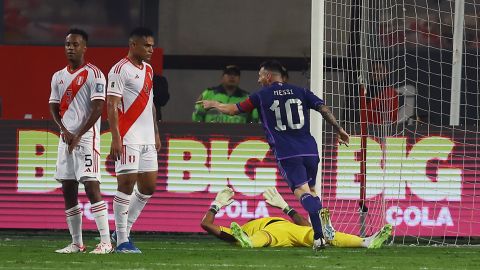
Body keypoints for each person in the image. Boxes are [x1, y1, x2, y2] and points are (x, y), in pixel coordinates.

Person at [198, 60, 350, 251]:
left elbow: (233, 110)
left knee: (302, 192)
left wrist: (214, 104)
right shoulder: (301, 91)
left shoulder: (261, 95)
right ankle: (325, 225)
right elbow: (324, 109)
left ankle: (319, 235)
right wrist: (339, 129)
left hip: (287, 152)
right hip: (310, 149)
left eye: (261, 75)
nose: (259, 79)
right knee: (312, 189)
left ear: (268, 76)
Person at [49, 28, 112, 254]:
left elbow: (98, 109)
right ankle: (77, 243)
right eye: (67, 44)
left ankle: (105, 242)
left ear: (84, 47)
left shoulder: (95, 74)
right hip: (65, 139)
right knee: (67, 188)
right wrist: (64, 130)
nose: (71, 48)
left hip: (86, 140)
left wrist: (78, 134)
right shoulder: (58, 76)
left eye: (75, 44)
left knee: (92, 186)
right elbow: (53, 107)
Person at [106, 26, 161, 253]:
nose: (151, 49)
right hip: (128, 136)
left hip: (148, 138)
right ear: (133, 45)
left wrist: (156, 132)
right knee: (126, 185)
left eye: (152, 45)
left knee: (148, 187)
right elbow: (111, 104)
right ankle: (121, 241)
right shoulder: (119, 70)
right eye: (146, 45)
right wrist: (116, 138)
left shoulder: (148, 69)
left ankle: (122, 231)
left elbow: (151, 104)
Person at [201, 187, 392, 249]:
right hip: (269, 234)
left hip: (292, 231)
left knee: (318, 233)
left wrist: (285, 207)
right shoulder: (237, 231)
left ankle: (366, 241)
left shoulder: (240, 228)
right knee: (264, 237)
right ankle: (249, 242)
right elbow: (206, 225)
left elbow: (305, 224)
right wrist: (215, 205)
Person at [192, 65, 259, 123]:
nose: (232, 77)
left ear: (239, 78)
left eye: (235, 74)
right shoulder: (208, 94)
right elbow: (197, 116)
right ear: (222, 77)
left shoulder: (247, 97)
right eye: (229, 74)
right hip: (210, 135)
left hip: (238, 136)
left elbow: (255, 120)